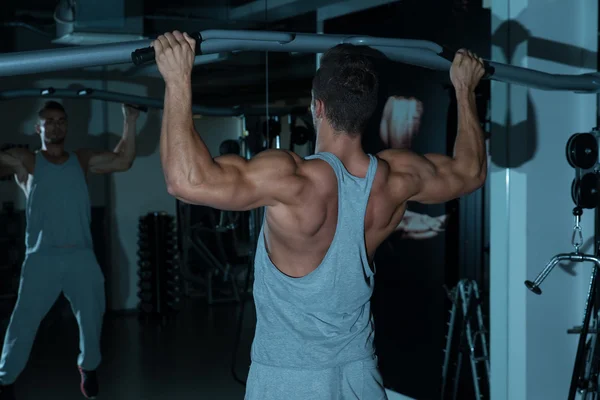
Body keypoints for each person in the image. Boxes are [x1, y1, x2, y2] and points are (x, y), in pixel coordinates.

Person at [153, 30, 486, 399]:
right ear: (367, 112)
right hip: (360, 378)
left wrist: (177, 78)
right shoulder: (397, 177)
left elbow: (184, 181)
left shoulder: (290, 179)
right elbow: (470, 172)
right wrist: (463, 89)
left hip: (288, 381)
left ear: (319, 107)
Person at [0, 101, 139, 400]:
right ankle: (5, 379)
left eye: (61, 120)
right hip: (41, 259)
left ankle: (88, 367)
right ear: (38, 128)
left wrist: (130, 118)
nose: (56, 125)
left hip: (80, 256)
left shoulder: (83, 158)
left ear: (67, 125)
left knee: (91, 318)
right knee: (22, 323)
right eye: (48, 121)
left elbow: (123, 161)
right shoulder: (27, 160)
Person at [380, 95, 449, 239]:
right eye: (406, 120)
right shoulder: (376, 168)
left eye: (415, 120)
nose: (411, 126)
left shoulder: (428, 164)